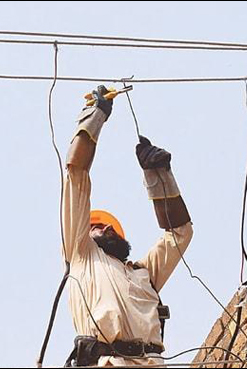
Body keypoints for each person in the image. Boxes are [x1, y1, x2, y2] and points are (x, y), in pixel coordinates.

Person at [62, 85, 194, 367]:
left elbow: (180, 234)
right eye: (97, 226)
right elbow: (76, 175)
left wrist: (158, 175)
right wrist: (94, 116)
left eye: (110, 228)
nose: (106, 229)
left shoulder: (144, 274)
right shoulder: (83, 256)